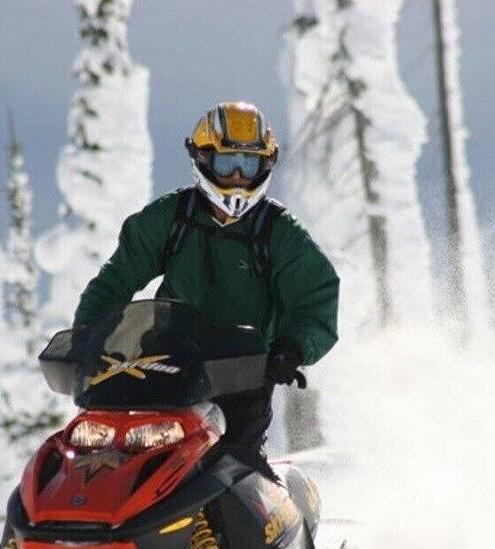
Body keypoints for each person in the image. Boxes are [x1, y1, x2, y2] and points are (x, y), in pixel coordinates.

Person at [72, 101, 339, 472]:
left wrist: (291, 349)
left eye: (248, 166)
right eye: (226, 163)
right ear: (202, 159)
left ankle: (258, 521)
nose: (236, 178)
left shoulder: (278, 231)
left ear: (265, 167)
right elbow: (115, 280)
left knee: (235, 468)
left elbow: (316, 296)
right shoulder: (171, 218)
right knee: (121, 456)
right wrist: (86, 338)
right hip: (163, 366)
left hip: (243, 372)